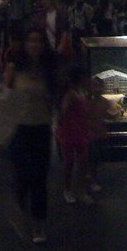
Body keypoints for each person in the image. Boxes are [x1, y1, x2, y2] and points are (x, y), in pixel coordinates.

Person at [3, 28, 57, 243]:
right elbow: (5, 96)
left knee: (40, 178)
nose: (35, 45)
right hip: (19, 128)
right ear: (24, 44)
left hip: (42, 127)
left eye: (39, 41)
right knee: (22, 176)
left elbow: (53, 99)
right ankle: (19, 212)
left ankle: (39, 225)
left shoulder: (48, 69)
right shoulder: (14, 68)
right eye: (31, 40)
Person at [57, 65, 95, 205]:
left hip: (78, 131)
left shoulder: (79, 92)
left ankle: (79, 190)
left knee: (81, 162)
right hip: (71, 132)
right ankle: (69, 190)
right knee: (70, 163)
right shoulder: (72, 94)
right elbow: (63, 112)